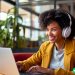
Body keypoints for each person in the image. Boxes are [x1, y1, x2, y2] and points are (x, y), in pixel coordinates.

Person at [17, 9, 75, 75]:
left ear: (66, 31)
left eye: (53, 29)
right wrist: (21, 64)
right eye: (47, 29)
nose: (49, 33)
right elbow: (31, 61)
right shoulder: (45, 46)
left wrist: (50, 71)